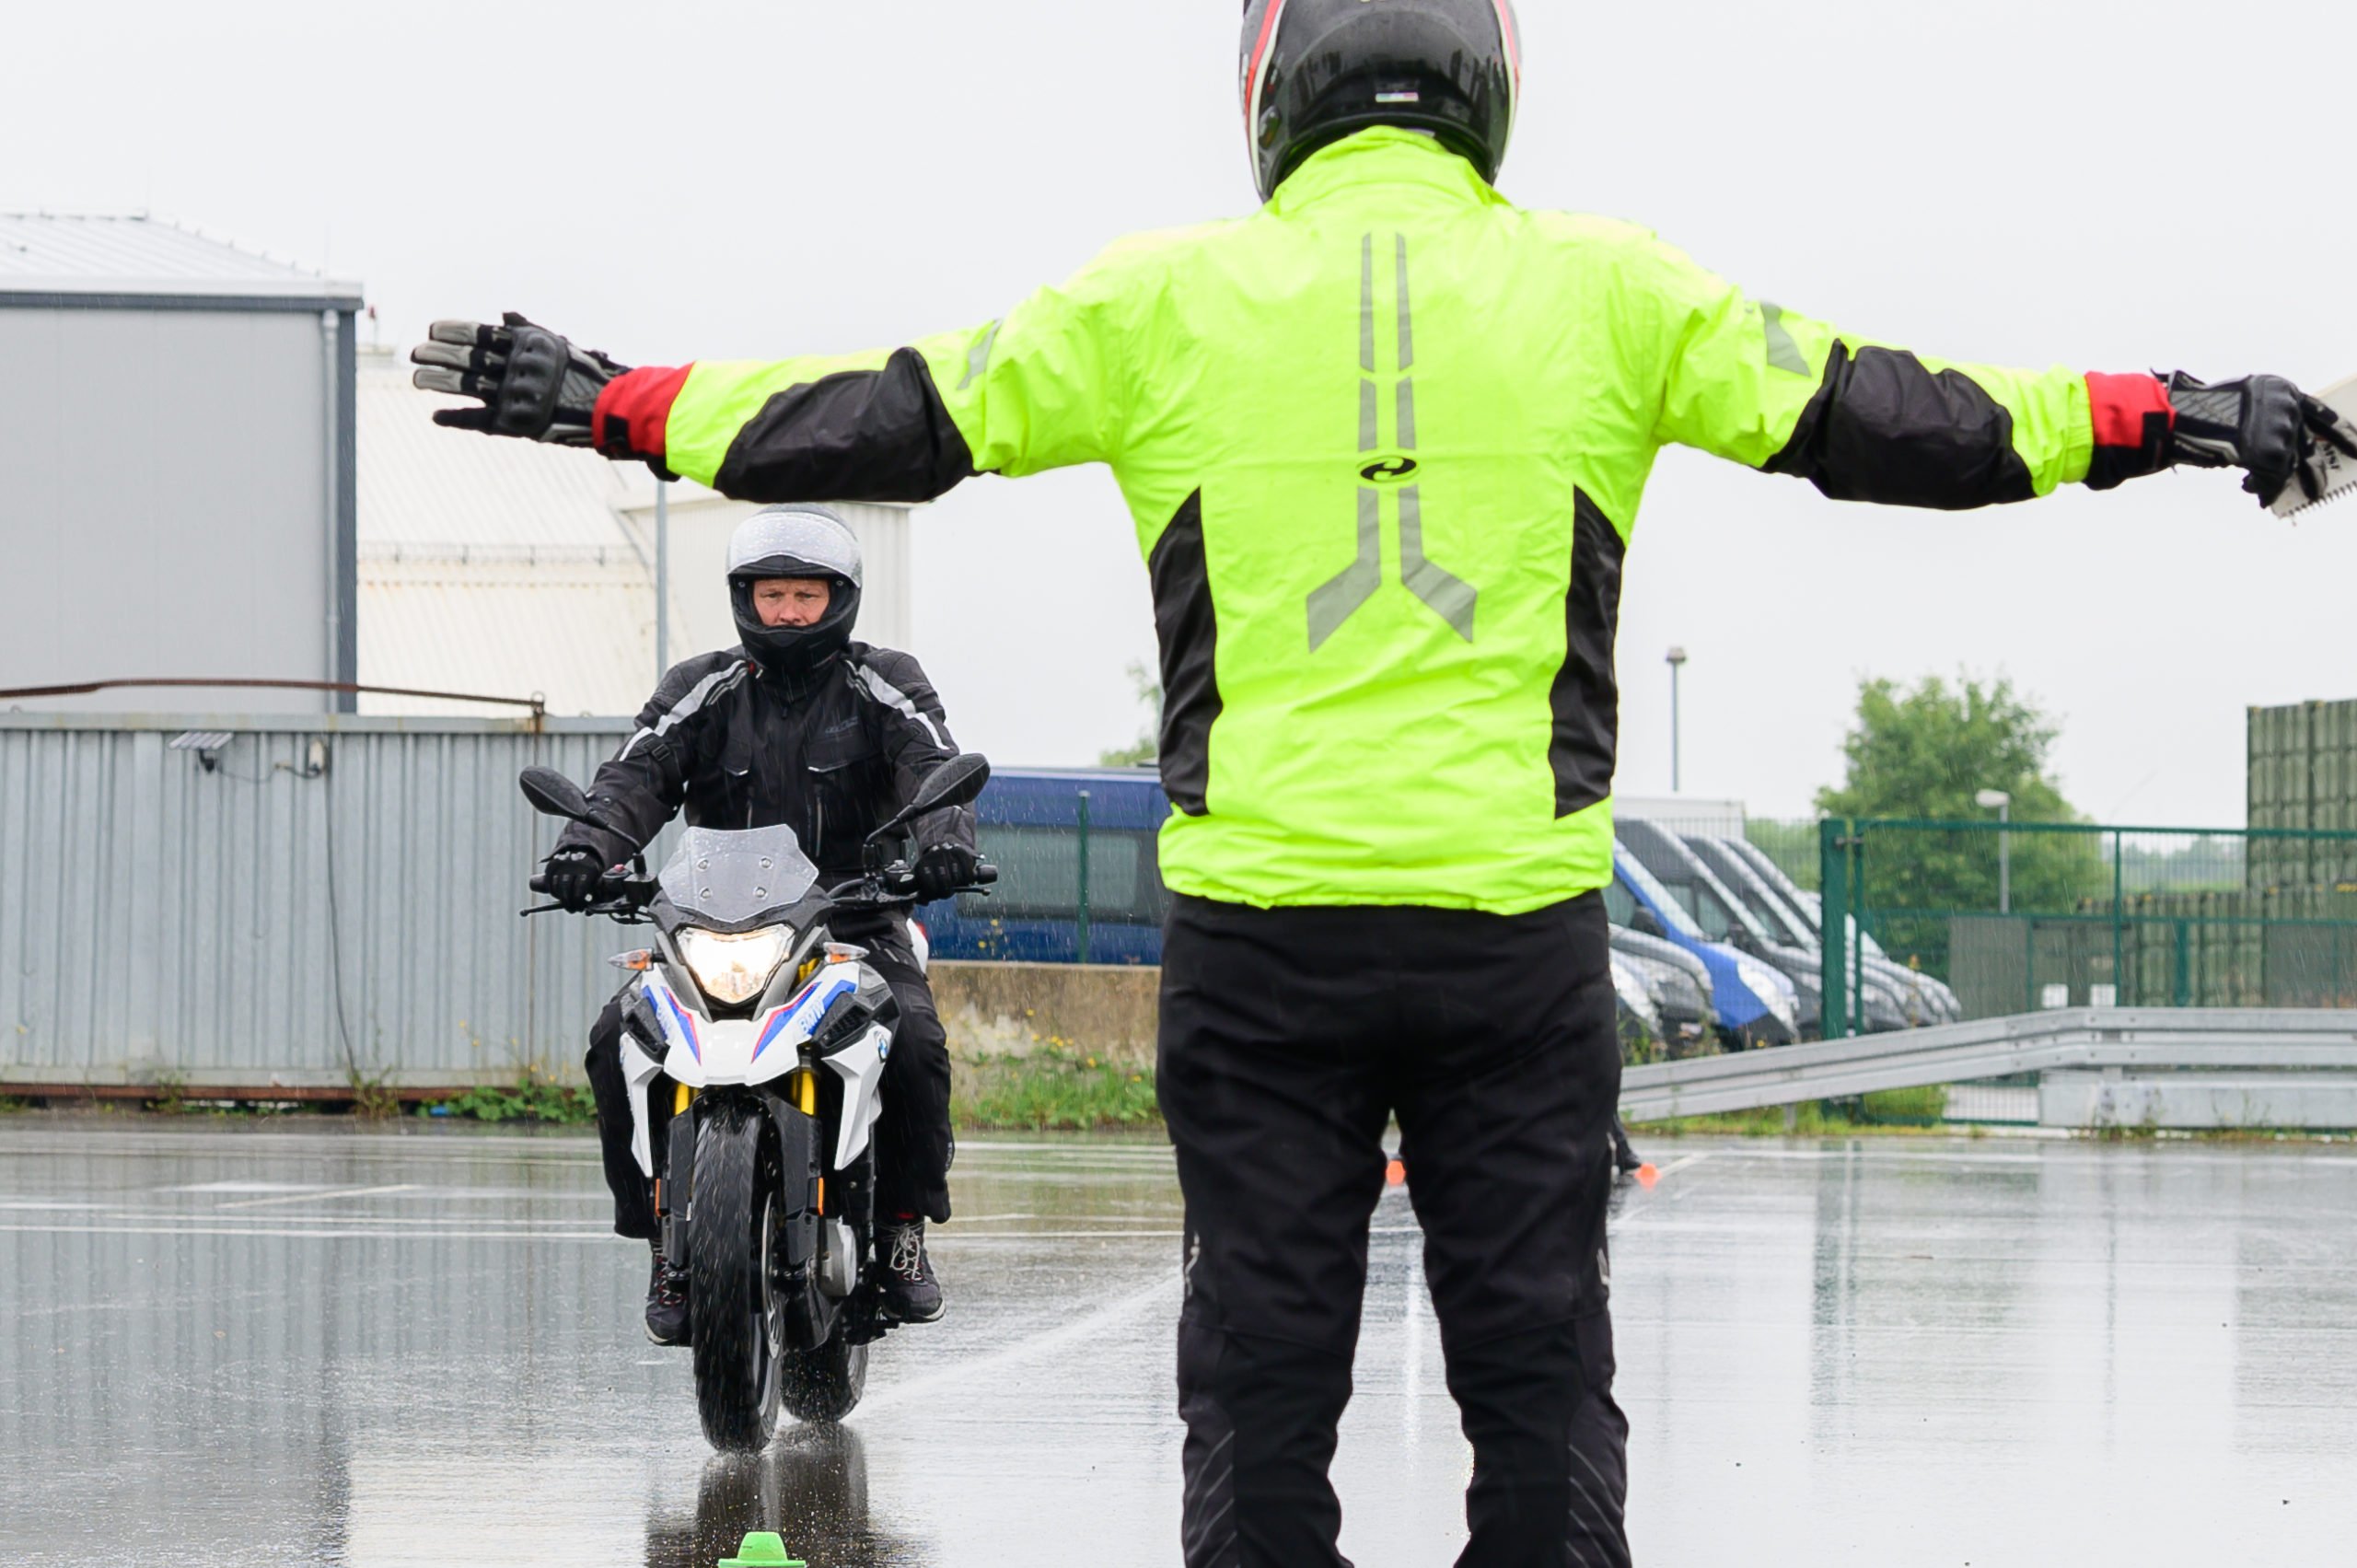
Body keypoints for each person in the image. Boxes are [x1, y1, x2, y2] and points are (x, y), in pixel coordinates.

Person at [414, 3, 2351, 1558]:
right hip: (1514, 948)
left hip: (1263, 951)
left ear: (1269, 93)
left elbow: (886, 410)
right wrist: (2161, 416)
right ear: (1491, 90)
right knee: (1535, 1383)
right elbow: (1903, 419)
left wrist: (613, 398)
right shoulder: (1609, 292)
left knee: (1258, 1393)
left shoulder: (1160, 303)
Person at [545, 505, 977, 1344]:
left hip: (855, 920)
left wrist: (946, 845)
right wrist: (583, 850)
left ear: (839, 598)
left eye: (804, 595)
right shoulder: (700, 688)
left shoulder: (882, 681)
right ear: (745, 597)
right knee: (615, 1038)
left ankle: (900, 1228)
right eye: (771, 594)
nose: (787, 611)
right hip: (715, 925)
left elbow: (933, 762)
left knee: (916, 1041)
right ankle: (667, 1242)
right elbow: (634, 775)